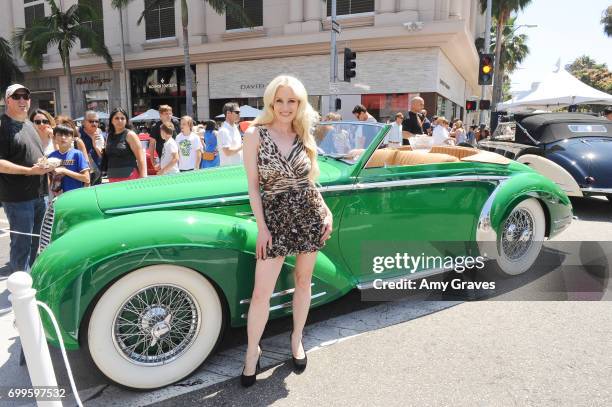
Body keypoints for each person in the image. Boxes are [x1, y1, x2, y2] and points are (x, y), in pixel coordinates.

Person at [241, 75, 333, 387]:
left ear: (300, 103)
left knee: (304, 281)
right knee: (260, 294)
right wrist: (262, 228)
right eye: (279, 100)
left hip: (308, 213)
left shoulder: (303, 131)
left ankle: (296, 340)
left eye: (291, 101)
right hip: (275, 218)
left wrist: (326, 209)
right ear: (270, 101)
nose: (285, 107)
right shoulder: (255, 134)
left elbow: (309, 181)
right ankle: (252, 353)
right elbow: (253, 188)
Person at [0, 84, 53, 273]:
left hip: (40, 195)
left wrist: (45, 163)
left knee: (36, 242)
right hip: (18, 198)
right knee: (22, 243)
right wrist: (29, 171)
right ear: (8, 100)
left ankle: (29, 282)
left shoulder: (29, 125)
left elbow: (32, 154)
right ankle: (19, 287)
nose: (22, 100)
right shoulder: (3, 126)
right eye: (17, 97)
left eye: (26, 97)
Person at [47, 124, 90, 197]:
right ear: (54, 138)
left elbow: (86, 178)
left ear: (72, 138)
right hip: (58, 196)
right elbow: (49, 178)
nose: (63, 138)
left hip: (76, 195)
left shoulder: (77, 154)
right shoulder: (51, 156)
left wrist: (64, 171)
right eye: (60, 135)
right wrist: (52, 190)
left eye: (67, 135)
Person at [105, 107, 147, 182]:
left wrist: (143, 178)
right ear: (111, 120)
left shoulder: (130, 135)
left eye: (122, 118)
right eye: (116, 118)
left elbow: (141, 158)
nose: (120, 120)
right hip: (112, 177)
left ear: (126, 120)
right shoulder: (109, 136)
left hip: (129, 177)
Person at [79, 111, 105, 185]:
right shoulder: (77, 133)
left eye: (96, 121)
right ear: (83, 122)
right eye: (91, 121)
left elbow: (103, 156)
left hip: (97, 172)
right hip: (81, 172)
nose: (94, 124)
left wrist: (95, 146)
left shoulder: (101, 134)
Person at [218, 102, 243, 166]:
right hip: (228, 170)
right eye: (237, 112)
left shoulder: (235, 128)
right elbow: (227, 152)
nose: (239, 114)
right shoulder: (224, 131)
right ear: (228, 113)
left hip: (238, 167)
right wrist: (243, 146)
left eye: (240, 112)